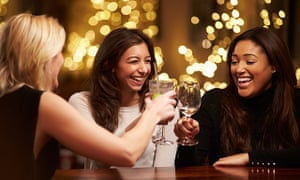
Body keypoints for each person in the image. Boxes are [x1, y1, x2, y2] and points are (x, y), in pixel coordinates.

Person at [0, 13, 177, 180]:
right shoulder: (43, 103)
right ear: (41, 58)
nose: (62, 59)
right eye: (59, 51)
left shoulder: (8, 99)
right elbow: (126, 153)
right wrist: (153, 112)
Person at [174, 27, 300, 168]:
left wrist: (250, 158)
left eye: (250, 61)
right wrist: (186, 139)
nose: (239, 69)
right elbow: (188, 170)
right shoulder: (214, 102)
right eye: (234, 62)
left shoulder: (295, 100)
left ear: (274, 65)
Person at [68, 27, 179, 168]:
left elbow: (164, 171)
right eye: (134, 61)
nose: (144, 69)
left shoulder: (163, 107)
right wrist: (150, 116)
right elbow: (102, 158)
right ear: (110, 64)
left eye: (147, 61)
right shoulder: (82, 102)